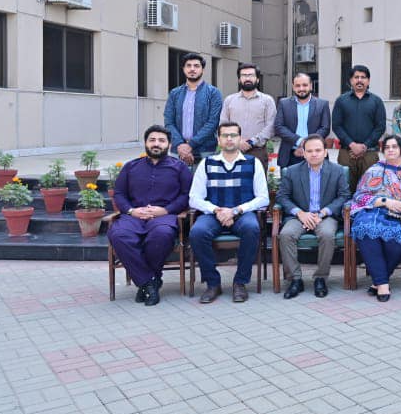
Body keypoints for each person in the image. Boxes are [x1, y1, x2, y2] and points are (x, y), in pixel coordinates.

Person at [107, 125, 193, 306]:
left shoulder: (180, 168)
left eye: (161, 140)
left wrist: (166, 210)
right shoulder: (131, 167)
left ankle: (144, 283)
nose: (156, 144)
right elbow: (119, 194)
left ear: (169, 145)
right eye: (152, 140)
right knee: (118, 234)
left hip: (164, 216)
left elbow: (187, 195)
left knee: (162, 234)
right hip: (134, 216)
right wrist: (131, 211)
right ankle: (149, 282)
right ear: (145, 143)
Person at [188, 122, 271, 304]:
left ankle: (240, 282)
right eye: (225, 135)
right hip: (214, 214)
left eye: (233, 135)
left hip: (242, 213)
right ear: (218, 140)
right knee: (197, 232)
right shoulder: (206, 163)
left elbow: (263, 198)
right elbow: (194, 198)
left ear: (240, 138)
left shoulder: (253, 163)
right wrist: (216, 210)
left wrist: (235, 210)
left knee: (251, 228)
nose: (229, 139)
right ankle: (213, 283)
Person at [348, 134, 401, 301]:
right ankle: (383, 285)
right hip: (374, 210)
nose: (390, 150)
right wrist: (385, 202)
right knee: (366, 230)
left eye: (394, 147)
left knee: (398, 241)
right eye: (387, 147)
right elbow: (360, 196)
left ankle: (376, 282)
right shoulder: (374, 170)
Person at [275, 134, 352, 300]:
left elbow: (344, 196)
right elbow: (282, 196)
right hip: (299, 216)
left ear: (325, 152)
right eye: (309, 151)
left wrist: (323, 213)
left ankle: (320, 278)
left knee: (327, 234)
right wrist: (300, 213)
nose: (314, 154)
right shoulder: (292, 171)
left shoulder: (337, 171)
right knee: (286, 235)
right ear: (303, 153)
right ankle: (295, 280)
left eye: (318, 150)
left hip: (325, 216)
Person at [332, 65, 387, 191]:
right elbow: (336, 125)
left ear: (368, 81)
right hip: (347, 153)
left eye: (363, 77)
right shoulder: (341, 101)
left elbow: (380, 126)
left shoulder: (376, 101)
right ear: (351, 80)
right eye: (356, 77)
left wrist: (365, 146)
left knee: (370, 190)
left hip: (369, 153)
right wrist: (352, 145)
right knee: (345, 190)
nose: (359, 80)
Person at [163, 52, 223, 166]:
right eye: (188, 65)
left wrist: (190, 145)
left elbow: (213, 123)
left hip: (205, 150)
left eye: (196, 66)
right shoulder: (174, 93)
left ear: (202, 69)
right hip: (178, 151)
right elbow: (168, 122)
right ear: (183, 69)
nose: (192, 69)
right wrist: (180, 144)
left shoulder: (213, 93)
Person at [221, 62, 276, 167]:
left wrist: (251, 142)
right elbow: (223, 125)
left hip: (258, 152)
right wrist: (237, 141)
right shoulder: (229, 100)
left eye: (251, 75)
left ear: (257, 79)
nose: (247, 78)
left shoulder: (267, 100)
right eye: (244, 75)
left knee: (257, 178)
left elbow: (271, 126)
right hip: (232, 150)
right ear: (239, 79)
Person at [274, 73, 331, 169]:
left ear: (311, 86)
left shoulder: (322, 104)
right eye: (298, 85)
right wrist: (299, 141)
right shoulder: (284, 103)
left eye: (305, 85)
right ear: (293, 87)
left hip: (316, 155)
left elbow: (325, 128)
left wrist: (308, 144)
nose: (301, 88)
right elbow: (279, 127)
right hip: (290, 155)